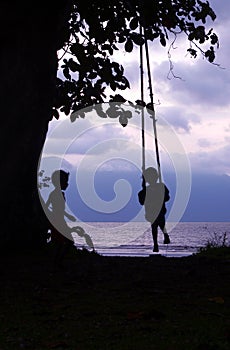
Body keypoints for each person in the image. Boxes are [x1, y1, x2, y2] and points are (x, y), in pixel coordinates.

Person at [45, 169, 94, 266]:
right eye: (65, 182)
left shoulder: (60, 194)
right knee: (66, 241)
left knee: (61, 242)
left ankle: (57, 262)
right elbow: (50, 207)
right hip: (57, 221)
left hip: (59, 221)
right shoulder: (55, 194)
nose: (67, 184)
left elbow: (56, 209)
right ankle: (57, 262)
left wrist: (67, 216)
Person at [138, 167, 170, 253]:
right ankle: (161, 238)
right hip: (151, 212)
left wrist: (161, 196)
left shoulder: (161, 186)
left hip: (159, 211)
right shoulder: (146, 190)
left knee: (155, 224)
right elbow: (142, 202)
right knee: (156, 223)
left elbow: (167, 198)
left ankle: (157, 243)